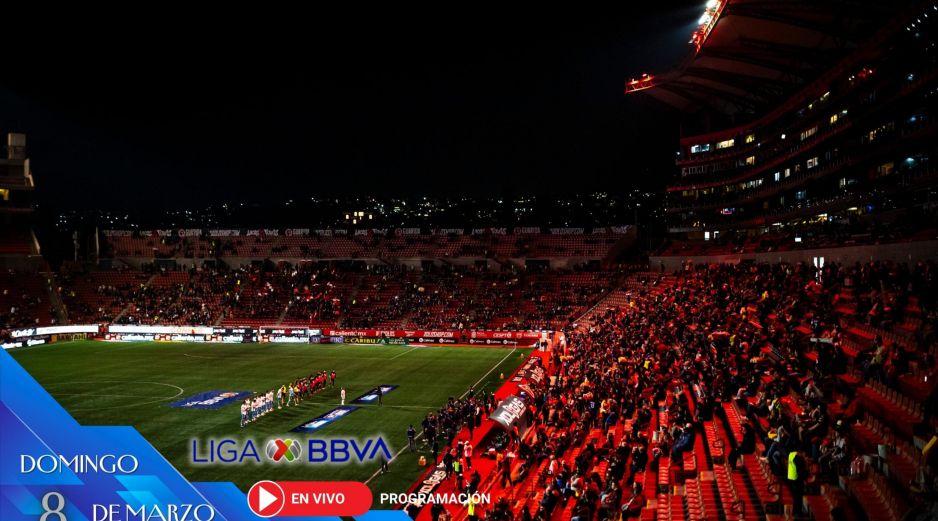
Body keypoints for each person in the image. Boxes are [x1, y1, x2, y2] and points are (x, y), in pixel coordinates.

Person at [787, 449, 808, 518]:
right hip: (797, 480)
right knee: (798, 497)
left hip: (790, 478)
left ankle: (795, 512)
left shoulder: (791, 454)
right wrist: (805, 478)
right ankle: (798, 513)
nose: (804, 456)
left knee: (795, 497)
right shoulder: (798, 458)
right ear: (801, 452)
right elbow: (800, 471)